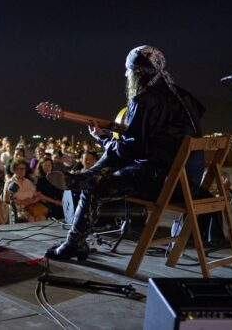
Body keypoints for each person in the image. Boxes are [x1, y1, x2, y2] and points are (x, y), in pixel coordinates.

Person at [46, 45, 206, 261]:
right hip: (191, 182)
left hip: (165, 184)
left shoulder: (142, 100)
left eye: (128, 70)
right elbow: (157, 138)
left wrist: (102, 138)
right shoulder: (184, 96)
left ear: (138, 73)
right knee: (116, 158)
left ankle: (74, 242)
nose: (125, 74)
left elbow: (130, 150)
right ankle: (82, 178)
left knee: (93, 189)